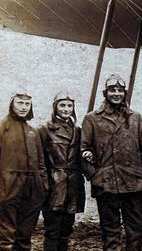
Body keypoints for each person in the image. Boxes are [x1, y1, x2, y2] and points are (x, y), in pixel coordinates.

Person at [81, 74, 142, 251]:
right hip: (106, 185)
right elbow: (82, 149)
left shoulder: (135, 118)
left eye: (120, 90)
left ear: (124, 93)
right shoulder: (92, 118)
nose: (116, 94)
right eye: (112, 90)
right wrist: (94, 175)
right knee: (110, 231)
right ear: (106, 93)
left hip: (133, 184)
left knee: (137, 228)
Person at [0, 92, 48, 250]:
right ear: (12, 104)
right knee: (6, 236)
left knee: (25, 235)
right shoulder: (3, 128)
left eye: (27, 104)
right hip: (8, 189)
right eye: (20, 103)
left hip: (32, 190)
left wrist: (42, 185)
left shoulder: (33, 132)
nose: (23, 107)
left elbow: (41, 162)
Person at [39, 92, 85, 251]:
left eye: (69, 105)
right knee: (52, 230)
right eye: (62, 105)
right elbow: (40, 161)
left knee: (66, 229)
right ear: (55, 107)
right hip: (54, 187)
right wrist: (46, 184)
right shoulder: (45, 130)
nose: (66, 109)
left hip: (73, 187)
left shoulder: (78, 131)